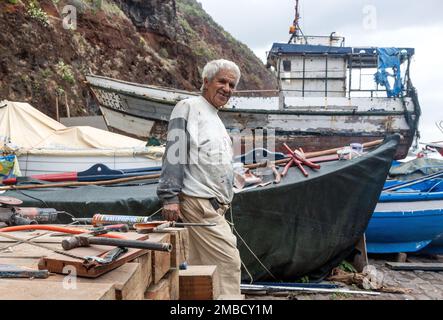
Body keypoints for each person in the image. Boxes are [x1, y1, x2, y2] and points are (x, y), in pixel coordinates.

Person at [157, 59, 242, 295]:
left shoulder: (214, 116)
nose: (227, 88)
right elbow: (175, 152)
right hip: (199, 204)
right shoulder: (188, 107)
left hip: (213, 206)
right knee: (228, 263)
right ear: (206, 81)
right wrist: (169, 196)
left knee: (200, 272)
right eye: (222, 81)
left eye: (232, 85)